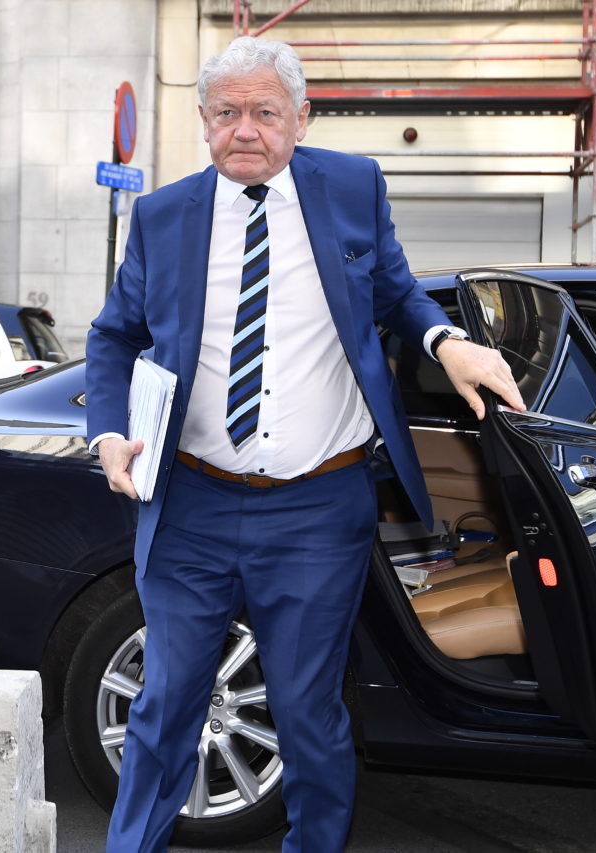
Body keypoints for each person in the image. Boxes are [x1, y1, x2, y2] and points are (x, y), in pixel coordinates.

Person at [84, 36, 523, 853]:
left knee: (306, 711)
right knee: (166, 702)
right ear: (203, 119)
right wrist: (110, 431)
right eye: (227, 112)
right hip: (190, 502)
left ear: (301, 117)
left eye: (265, 111)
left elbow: (396, 292)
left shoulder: (351, 187)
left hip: (318, 508)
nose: (245, 129)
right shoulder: (162, 215)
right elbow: (114, 336)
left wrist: (446, 342)